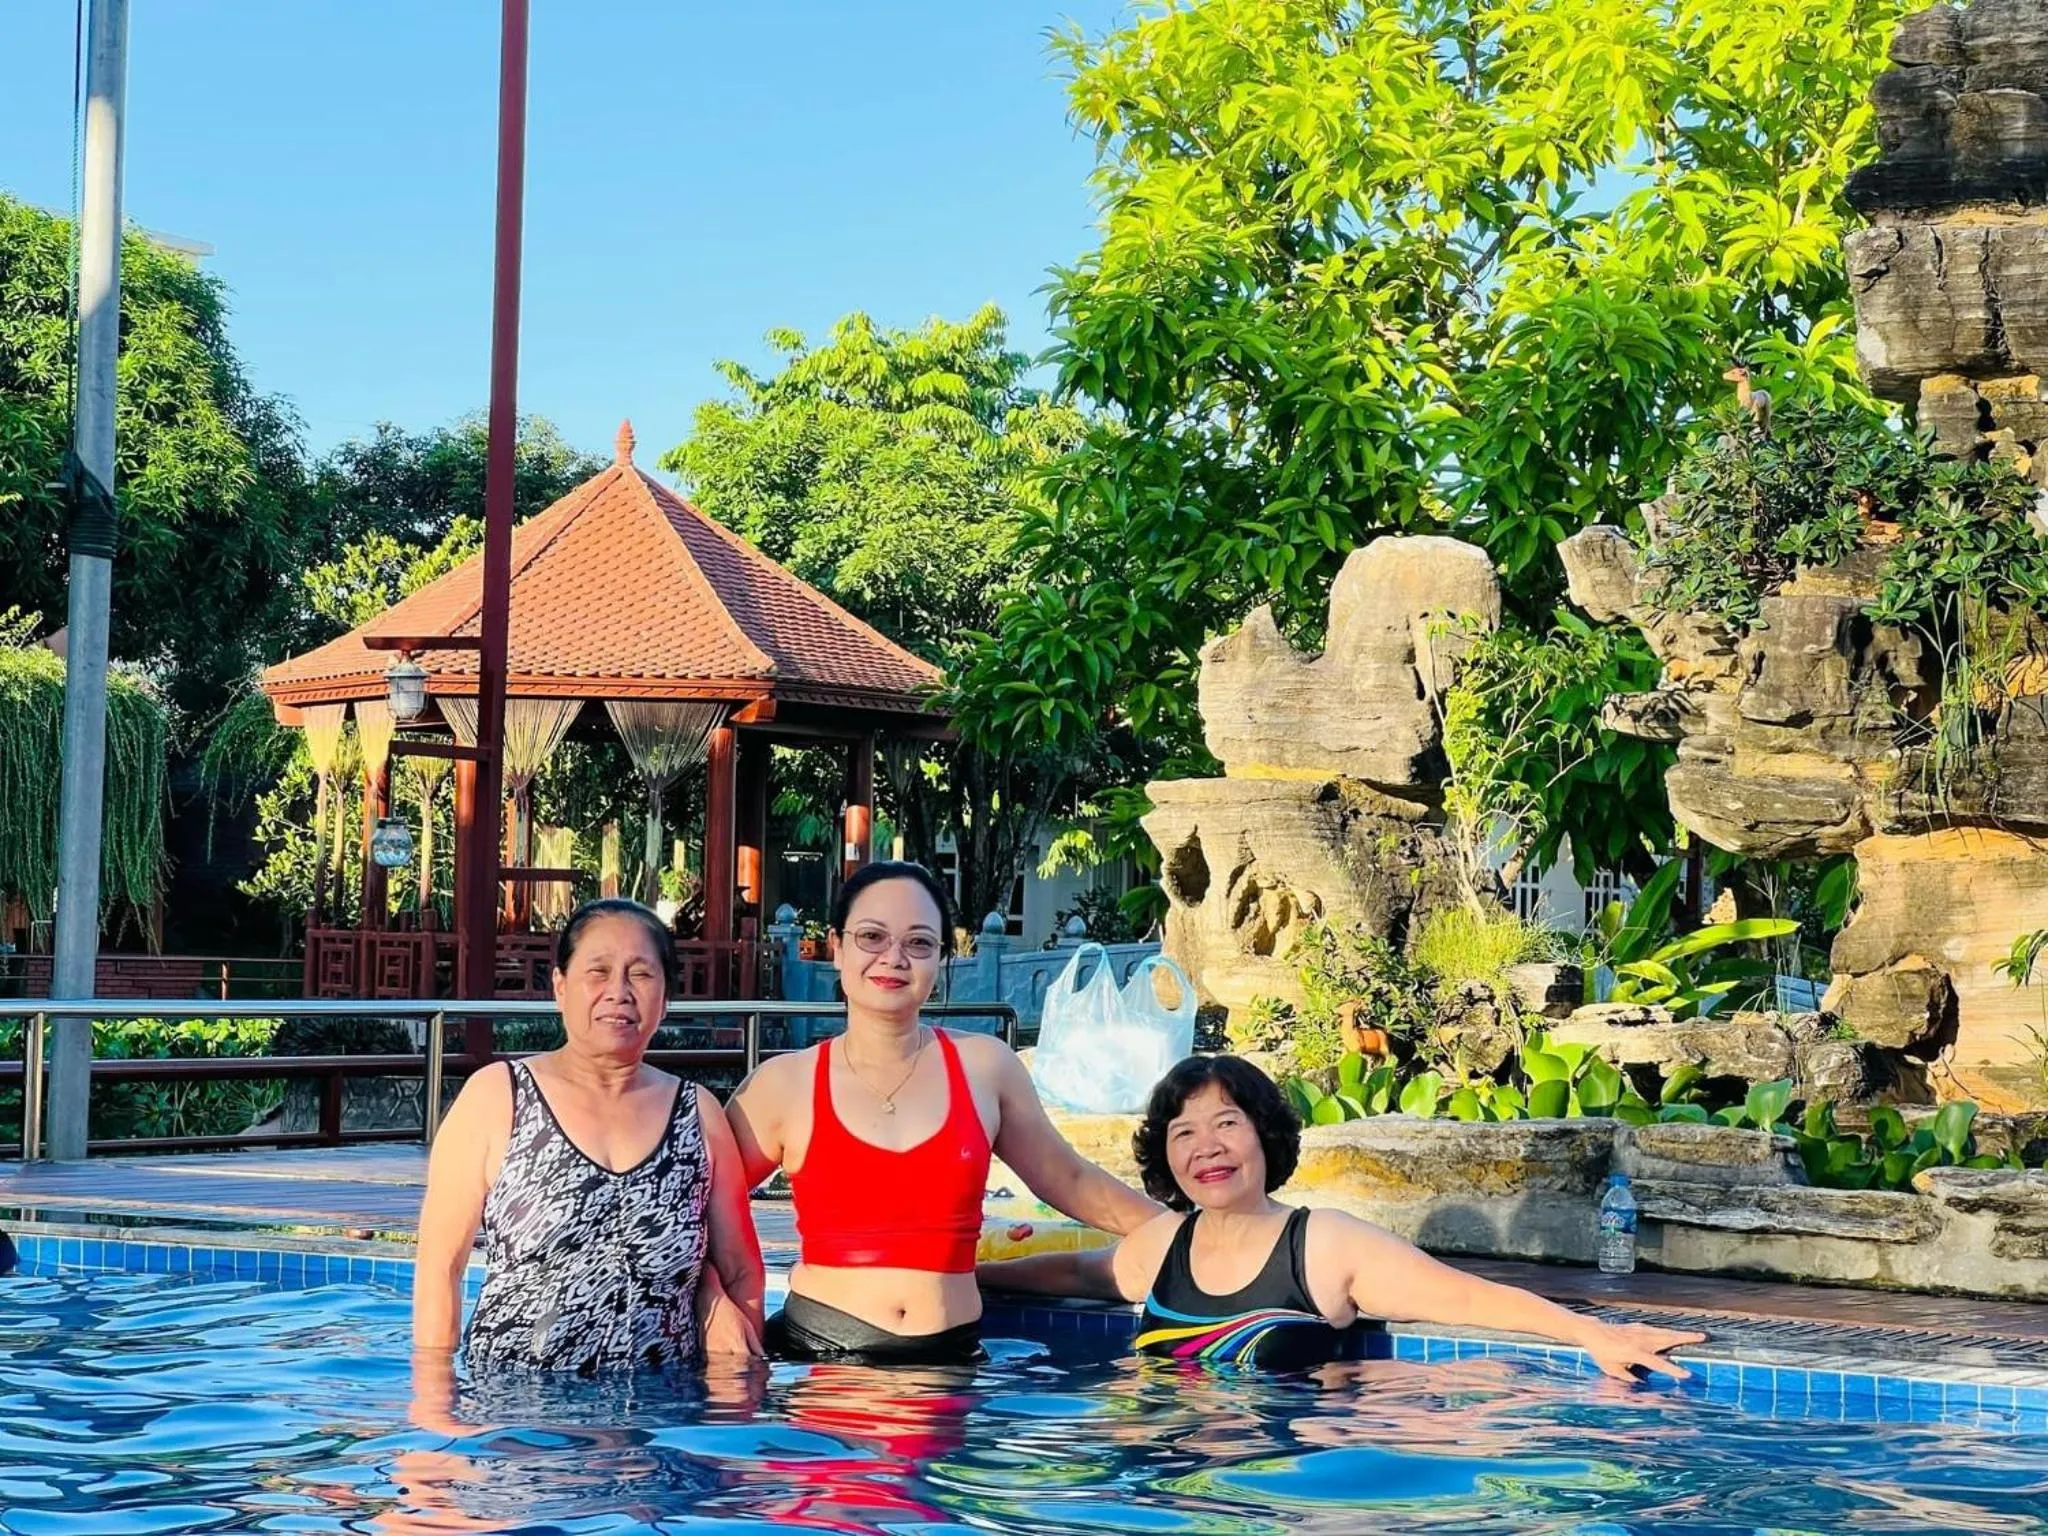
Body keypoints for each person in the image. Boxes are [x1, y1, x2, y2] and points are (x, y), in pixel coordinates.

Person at [978, 1054, 1705, 1380]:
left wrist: (1590, 1333)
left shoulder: (1321, 1246)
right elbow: (1077, 1272)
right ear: (1166, 1159)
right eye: (1184, 1133)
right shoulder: (1160, 1244)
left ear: (1265, 1135)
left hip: (1278, 1485)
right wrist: (971, 1280)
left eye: (1226, 1123)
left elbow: (1465, 1297)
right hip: (1156, 1478)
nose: (1208, 1148)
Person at [725, 860, 1162, 1365]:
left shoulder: (985, 1068)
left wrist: (1175, 1229)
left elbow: (1067, 1177)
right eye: (871, 937)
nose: (893, 958)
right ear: (837, 947)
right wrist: (719, 1306)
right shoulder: (784, 1083)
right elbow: (697, 1207)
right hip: (822, 1360)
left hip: (949, 1362)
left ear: (942, 960)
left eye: (918, 943)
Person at [412, 897, 766, 1378]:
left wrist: (736, 1396)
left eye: (640, 974)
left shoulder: (696, 1112)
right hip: (518, 1409)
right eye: (597, 972)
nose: (618, 992)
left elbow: (742, 1269)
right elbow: (440, 1268)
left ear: (666, 997)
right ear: (560, 987)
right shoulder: (499, 1097)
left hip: (663, 1413)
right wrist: (435, 1412)